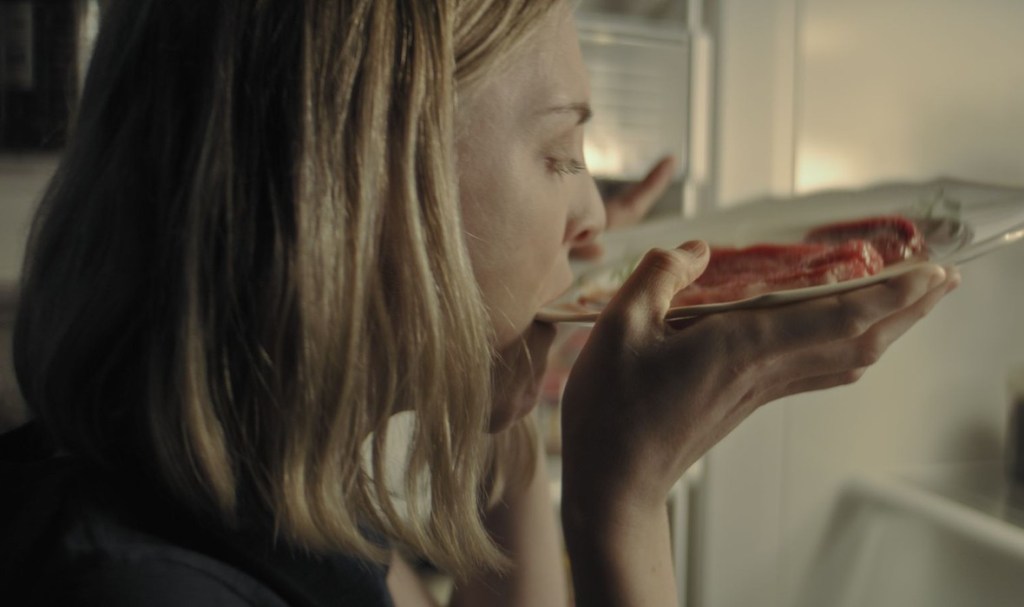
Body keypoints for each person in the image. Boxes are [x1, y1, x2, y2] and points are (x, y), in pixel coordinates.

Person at [0, 0, 959, 606]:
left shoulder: (269, 491)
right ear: (360, 184)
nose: (593, 218)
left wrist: (513, 393)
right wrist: (622, 507)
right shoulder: (142, 591)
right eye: (560, 154)